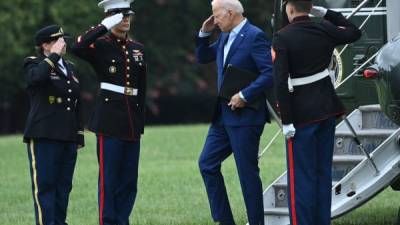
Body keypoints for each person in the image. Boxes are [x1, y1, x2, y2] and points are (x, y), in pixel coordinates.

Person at [272, 1, 361, 225]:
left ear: (289, 8)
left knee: (301, 177)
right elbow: (354, 32)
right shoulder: (324, 28)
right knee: (322, 175)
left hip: (301, 117)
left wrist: (286, 121)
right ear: (310, 8)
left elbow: (281, 82)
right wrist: (327, 13)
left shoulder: (283, 37)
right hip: (326, 110)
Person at [195, 0, 274, 224]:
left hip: (246, 117)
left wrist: (245, 95)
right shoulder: (224, 35)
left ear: (230, 13)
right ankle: (225, 221)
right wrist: (204, 32)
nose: (214, 19)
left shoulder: (254, 36)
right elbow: (202, 57)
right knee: (207, 164)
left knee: (247, 174)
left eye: (216, 15)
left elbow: (269, 73)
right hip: (222, 116)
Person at [70, 0, 146, 224]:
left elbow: (142, 88)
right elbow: (77, 47)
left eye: (127, 15)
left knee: (129, 181)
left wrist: (140, 122)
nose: (125, 19)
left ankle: (123, 220)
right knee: (109, 180)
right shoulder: (100, 45)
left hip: (132, 121)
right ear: (109, 17)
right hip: (109, 121)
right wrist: (103, 26)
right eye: (119, 16)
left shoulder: (138, 49)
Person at [23, 24, 85, 225]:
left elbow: (76, 101)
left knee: (64, 186)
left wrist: (79, 134)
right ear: (45, 45)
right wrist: (53, 57)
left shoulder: (71, 68)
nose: (63, 43)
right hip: (44, 134)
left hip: (67, 136)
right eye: (58, 40)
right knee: (46, 186)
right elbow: (36, 79)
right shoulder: (33, 63)